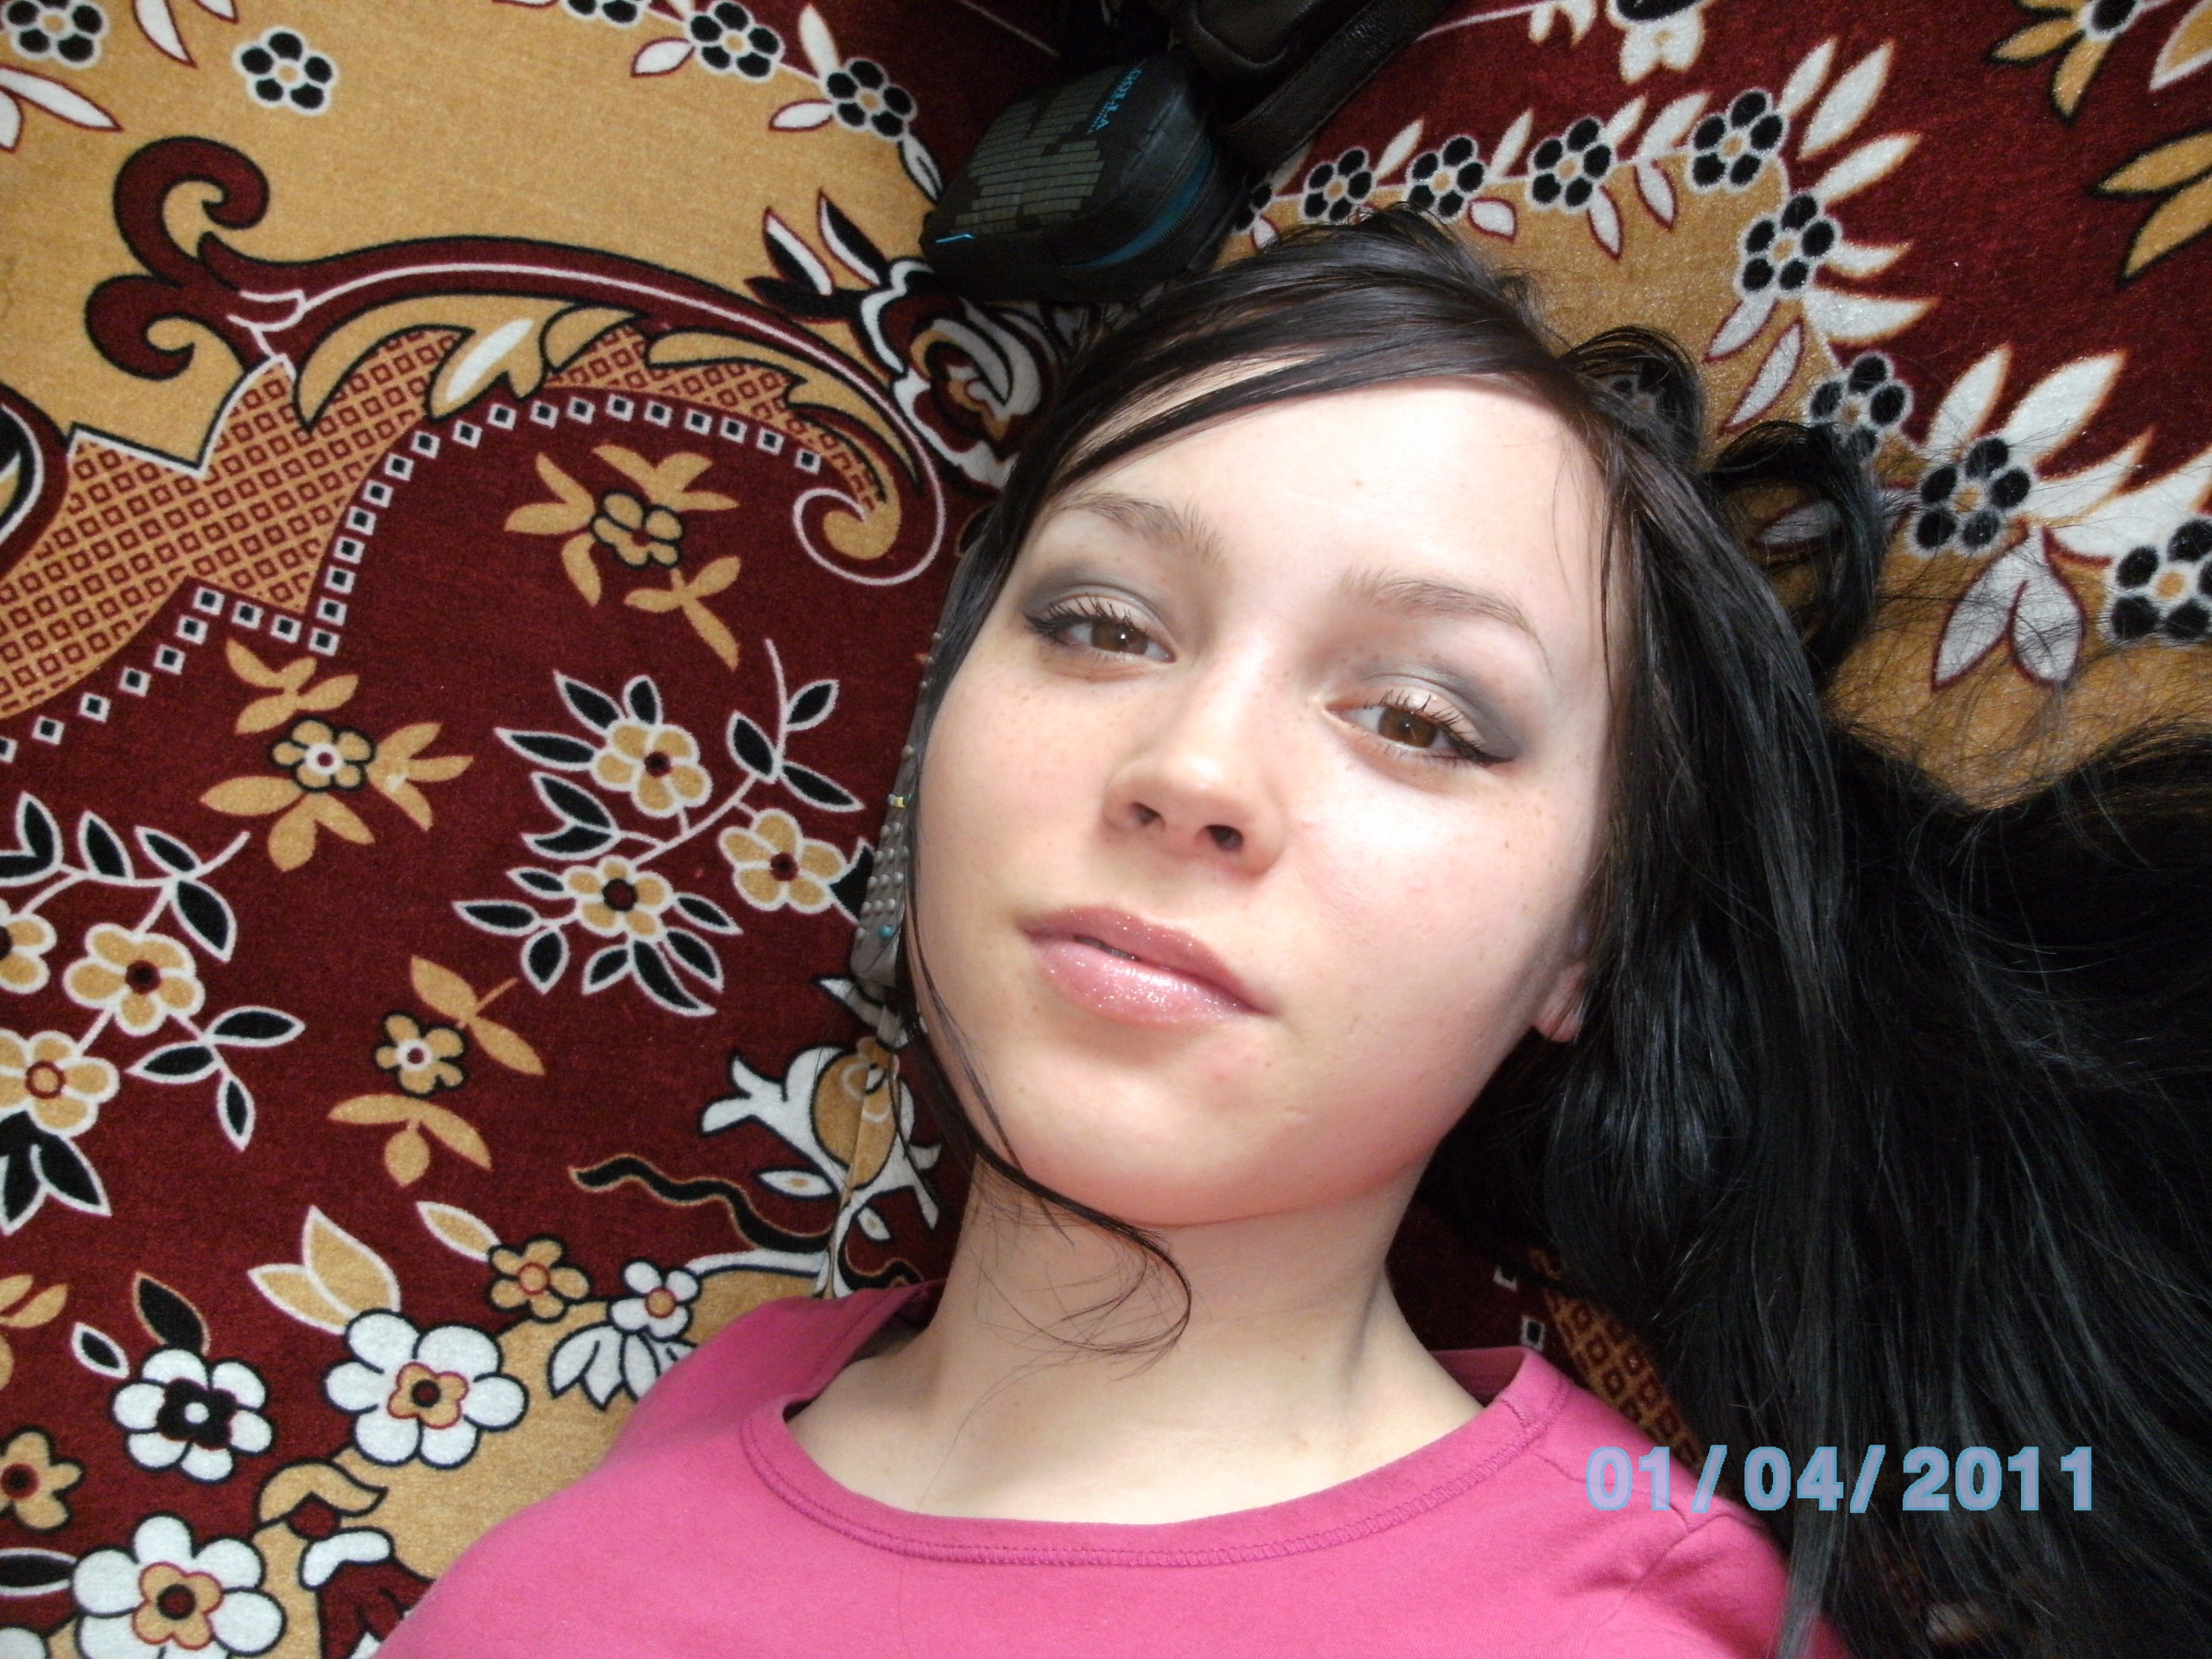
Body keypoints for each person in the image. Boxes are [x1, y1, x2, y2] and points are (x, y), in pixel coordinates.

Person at [376, 210, 2212, 1658]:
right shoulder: (730, 1392)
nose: (1189, 768)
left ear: (1583, 947)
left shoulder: (1645, 1612)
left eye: (1419, 717)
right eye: (1100, 624)